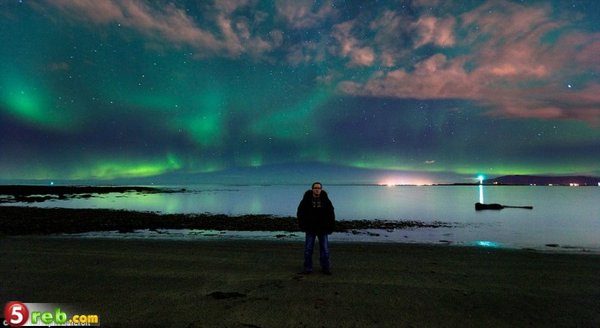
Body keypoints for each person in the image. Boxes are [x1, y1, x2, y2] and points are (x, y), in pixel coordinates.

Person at [297, 182, 335, 275]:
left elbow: (331, 214)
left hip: (323, 229)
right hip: (310, 228)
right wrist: (303, 225)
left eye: (319, 188)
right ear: (312, 189)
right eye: (315, 188)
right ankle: (307, 268)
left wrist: (330, 226)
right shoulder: (306, 200)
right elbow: (300, 213)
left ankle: (325, 268)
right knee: (308, 249)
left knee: (325, 249)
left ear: (321, 189)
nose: (317, 189)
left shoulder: (326, 200)